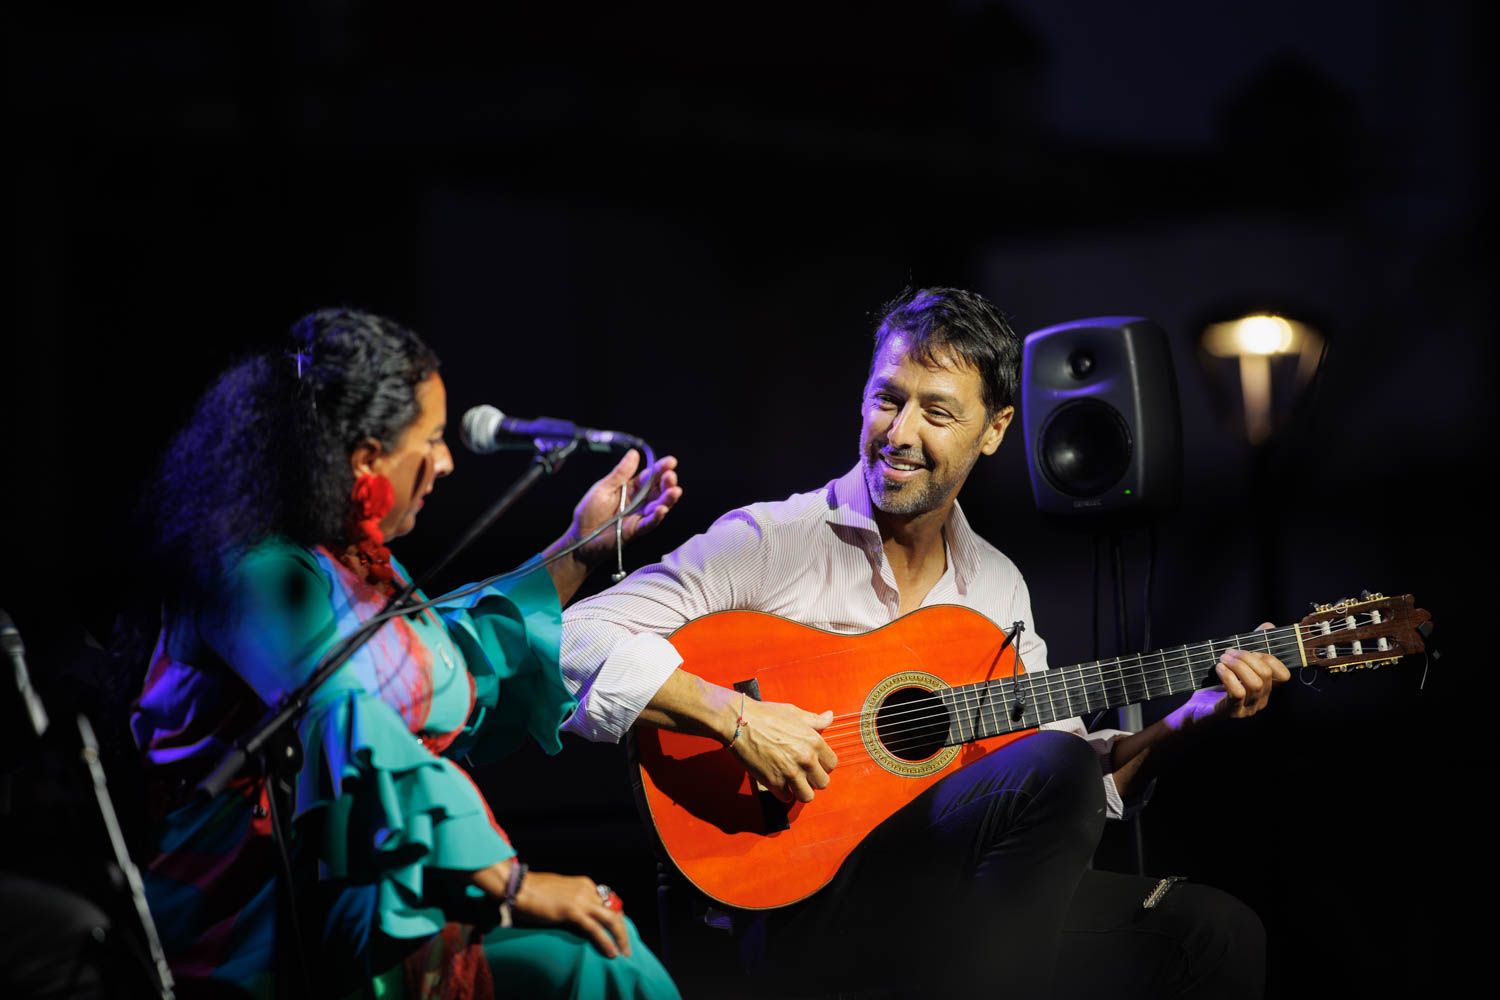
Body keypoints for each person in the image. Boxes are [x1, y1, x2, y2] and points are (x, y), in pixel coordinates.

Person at [561, 288, 1289, 998]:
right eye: (888, 398)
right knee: (1055, 768)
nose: (901, 432)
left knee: (1219, 933)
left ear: (995, 430)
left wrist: (1188, 720)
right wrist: (735, 717)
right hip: (804, 905)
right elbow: (568, 637)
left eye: (937, 411)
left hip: (962, 907)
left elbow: (1064, 783)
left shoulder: (995, 587)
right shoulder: (769, 541)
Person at [129, 308, 684, 999]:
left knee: (607, 965)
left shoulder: (351, 563)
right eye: (431, 439)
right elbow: (351, 714)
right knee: (590, 964)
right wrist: (511, 883)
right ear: (365, 460)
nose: (447, 460)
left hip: (367, 914)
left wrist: (581, 548)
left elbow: (444, 658)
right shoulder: (251, 576)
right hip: (257, 940)